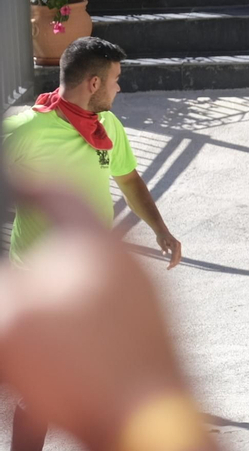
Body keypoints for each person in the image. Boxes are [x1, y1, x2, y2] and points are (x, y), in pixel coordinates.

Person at [3, 37, 184, 451]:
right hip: (44, 290)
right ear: (93, 83)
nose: (120, 88)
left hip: (97, 284)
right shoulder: (28, 129)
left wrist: (160, 228)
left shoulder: (107, 127)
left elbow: (129, 179)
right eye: (116, 80)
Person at [0, 182, 215, 451]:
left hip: (88, 282)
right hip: (43, 284)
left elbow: (129, 179)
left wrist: (160, 229)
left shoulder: (109, 137)